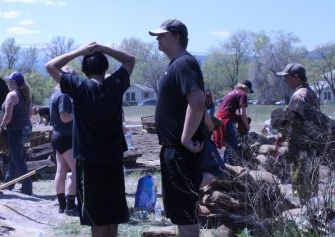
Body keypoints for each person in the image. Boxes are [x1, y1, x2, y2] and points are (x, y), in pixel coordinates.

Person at [45, 42, 135, 237]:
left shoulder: (79, 86)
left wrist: (80, 51)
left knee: (97, 216)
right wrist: (104, 48)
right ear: (105, 68)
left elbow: (50, 66)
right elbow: (130, 60)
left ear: (84, 70)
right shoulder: (116, 84)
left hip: (89, 160)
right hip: (113, 159)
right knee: (113, 214)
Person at [148, 19, 206, 237]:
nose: (158, 39)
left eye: (162, 35)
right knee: (179, 213)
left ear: (177, 36)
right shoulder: (176, 64)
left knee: (185, 212)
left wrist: (186, 138)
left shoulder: (184, 63)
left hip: (182, 151)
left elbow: (198, 102)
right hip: (174, 150)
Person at [276, 63, 321, 205]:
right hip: (313, 144)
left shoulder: (298, 95)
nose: (285, 81)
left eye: (286, 77)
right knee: (311, 180)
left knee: (301, 182)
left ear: (296, 77)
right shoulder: (311, 92)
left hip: (301, 146)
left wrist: (281, 134)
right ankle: (310, 208)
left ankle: (305, 211)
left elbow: (293, 120)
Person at [0, 72, 33, 195]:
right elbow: (30, 114)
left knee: (17, 159)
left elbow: (8, 116)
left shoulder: (12, 95)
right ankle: (9, 184)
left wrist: (1, 128)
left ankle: (27, 187)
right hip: (26, 129)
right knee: (14, 157)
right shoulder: (25, 94)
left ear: (13, 82)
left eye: (9, 81)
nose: (8, 83)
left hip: (16, 130)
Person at [49, 66, 76, 215]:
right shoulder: (65, 95)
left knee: (61, 170)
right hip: (66, 136)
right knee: (76, 170)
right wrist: (79, 113)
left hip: (57, 135)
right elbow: (65, 117)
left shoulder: (55, 93)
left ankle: (62, 204)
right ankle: (70, 206)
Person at [214, 80, 253, 165]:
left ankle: (224, 164)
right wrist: (247, 126)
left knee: (229, 144)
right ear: (247, 88)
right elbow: (242, 113)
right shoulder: (242, 94)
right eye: (249, 91)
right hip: (226, 119)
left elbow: (226, 109)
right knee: (233, 145)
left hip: (219, 118)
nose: (248, 94)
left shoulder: (231, 92)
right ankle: (228, 168)